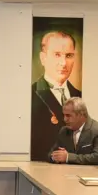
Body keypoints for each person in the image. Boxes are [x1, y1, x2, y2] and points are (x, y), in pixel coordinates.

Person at [30, 30, 81, 159]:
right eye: (57, 55)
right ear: (43, 58)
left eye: (69, 55)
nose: (63, 63)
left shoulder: (79, 95)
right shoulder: (30, 95)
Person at [49, 97, 98, 165]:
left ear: (81, 115)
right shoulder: (64, 131)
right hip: (69, 171)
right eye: (64, 115)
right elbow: (51, 154)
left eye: (68, 115)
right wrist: (56, 157)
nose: (65, 119)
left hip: (93, 171)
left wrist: (68, 157)